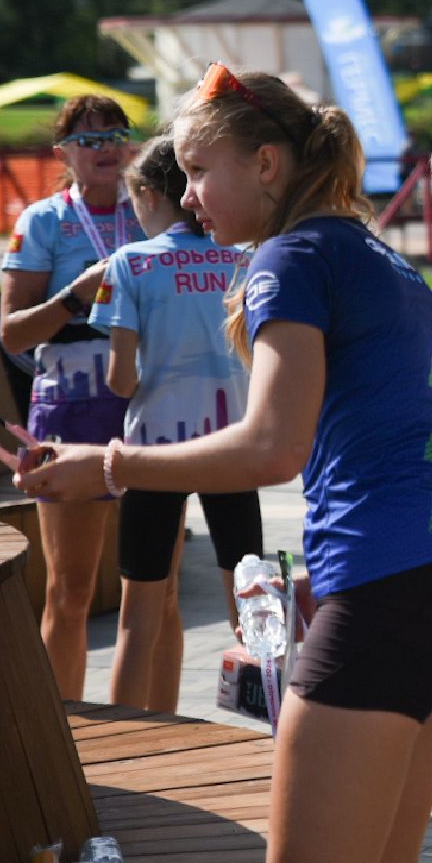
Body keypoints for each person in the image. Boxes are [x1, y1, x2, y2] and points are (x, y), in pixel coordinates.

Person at [17, 65, 432, 863]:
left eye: (201, 170)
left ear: (268, 164)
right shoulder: (377, 255)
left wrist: (110, 465)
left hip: (391, 593)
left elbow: (273, 446)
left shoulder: (291, 258)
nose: (188, 193)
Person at [88, 136, 262, 713]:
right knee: (256, 615)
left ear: (147, 193)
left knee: (139, 618)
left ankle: (126, 754)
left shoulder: (129, 263)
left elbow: (120, 381)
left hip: (154, 452)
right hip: (232, 447)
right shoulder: (244, 257)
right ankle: (280, 748)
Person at [0, 95, 147, 698]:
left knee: (151, 589)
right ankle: (65, 731)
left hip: (144, 408)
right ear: (63, 153)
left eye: (116, 134)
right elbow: (11, 332)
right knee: (71, 589)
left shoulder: (151, 212)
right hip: (69, 410)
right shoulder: (43, 221)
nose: (107, 147)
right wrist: (76, 296)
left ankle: (148, 730)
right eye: (89, 140)